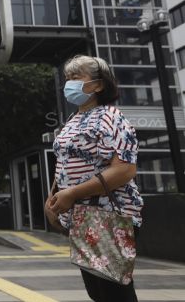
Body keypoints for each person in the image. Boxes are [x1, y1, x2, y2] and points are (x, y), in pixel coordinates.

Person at [46, 55, 143, 302]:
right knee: (97, 292)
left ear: (98, 85)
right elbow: (64, 163)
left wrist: (72, 194)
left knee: (114, 291)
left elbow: (124, 170)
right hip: (81, 217)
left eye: (76, 77)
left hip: (109, 214)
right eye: (68, 78)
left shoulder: (111, 116)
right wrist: (53, 200)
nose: (70, 83)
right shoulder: (72, 121)